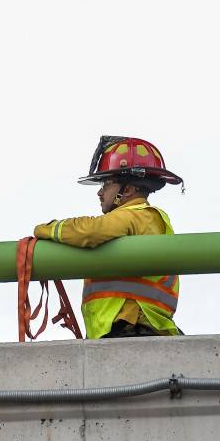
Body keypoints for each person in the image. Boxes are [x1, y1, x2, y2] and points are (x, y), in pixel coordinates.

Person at [33, 136, 183, 339]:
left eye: (107, 184)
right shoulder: (136, 220)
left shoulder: (141, 215)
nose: (100, 192)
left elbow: (90, 232)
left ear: (127, 190)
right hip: (126, 332)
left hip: (135, 329)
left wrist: (47, 230)